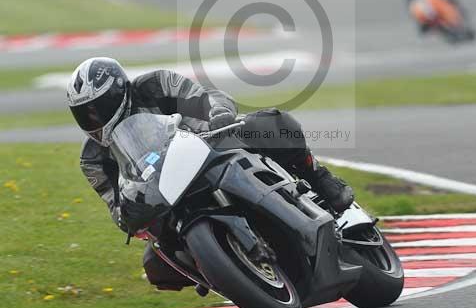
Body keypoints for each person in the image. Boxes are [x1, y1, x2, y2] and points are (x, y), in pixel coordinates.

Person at [67, 57, 353, 292]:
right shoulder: (92, 158)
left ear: (120, 93)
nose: (93, 119)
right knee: (155, 264)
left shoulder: (156, 84)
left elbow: (204, 99)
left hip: (208, 150)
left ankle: (318, 177)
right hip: (165, 194)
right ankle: (221, 269)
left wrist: (218, 114)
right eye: (84, 114)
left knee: (271, 123)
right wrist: (128, 215)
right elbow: (114, 205)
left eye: (97, 109)